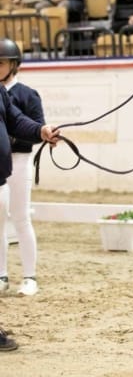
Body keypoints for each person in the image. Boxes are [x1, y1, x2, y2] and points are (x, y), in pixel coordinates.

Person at [0, 39, 59, 298]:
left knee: (21, 218)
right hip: (2, 165)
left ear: (13, 65)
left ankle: (29, 276)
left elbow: (25, 124)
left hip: (20, 161)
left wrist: (41, 131)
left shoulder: (26, 94)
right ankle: (1, 275)